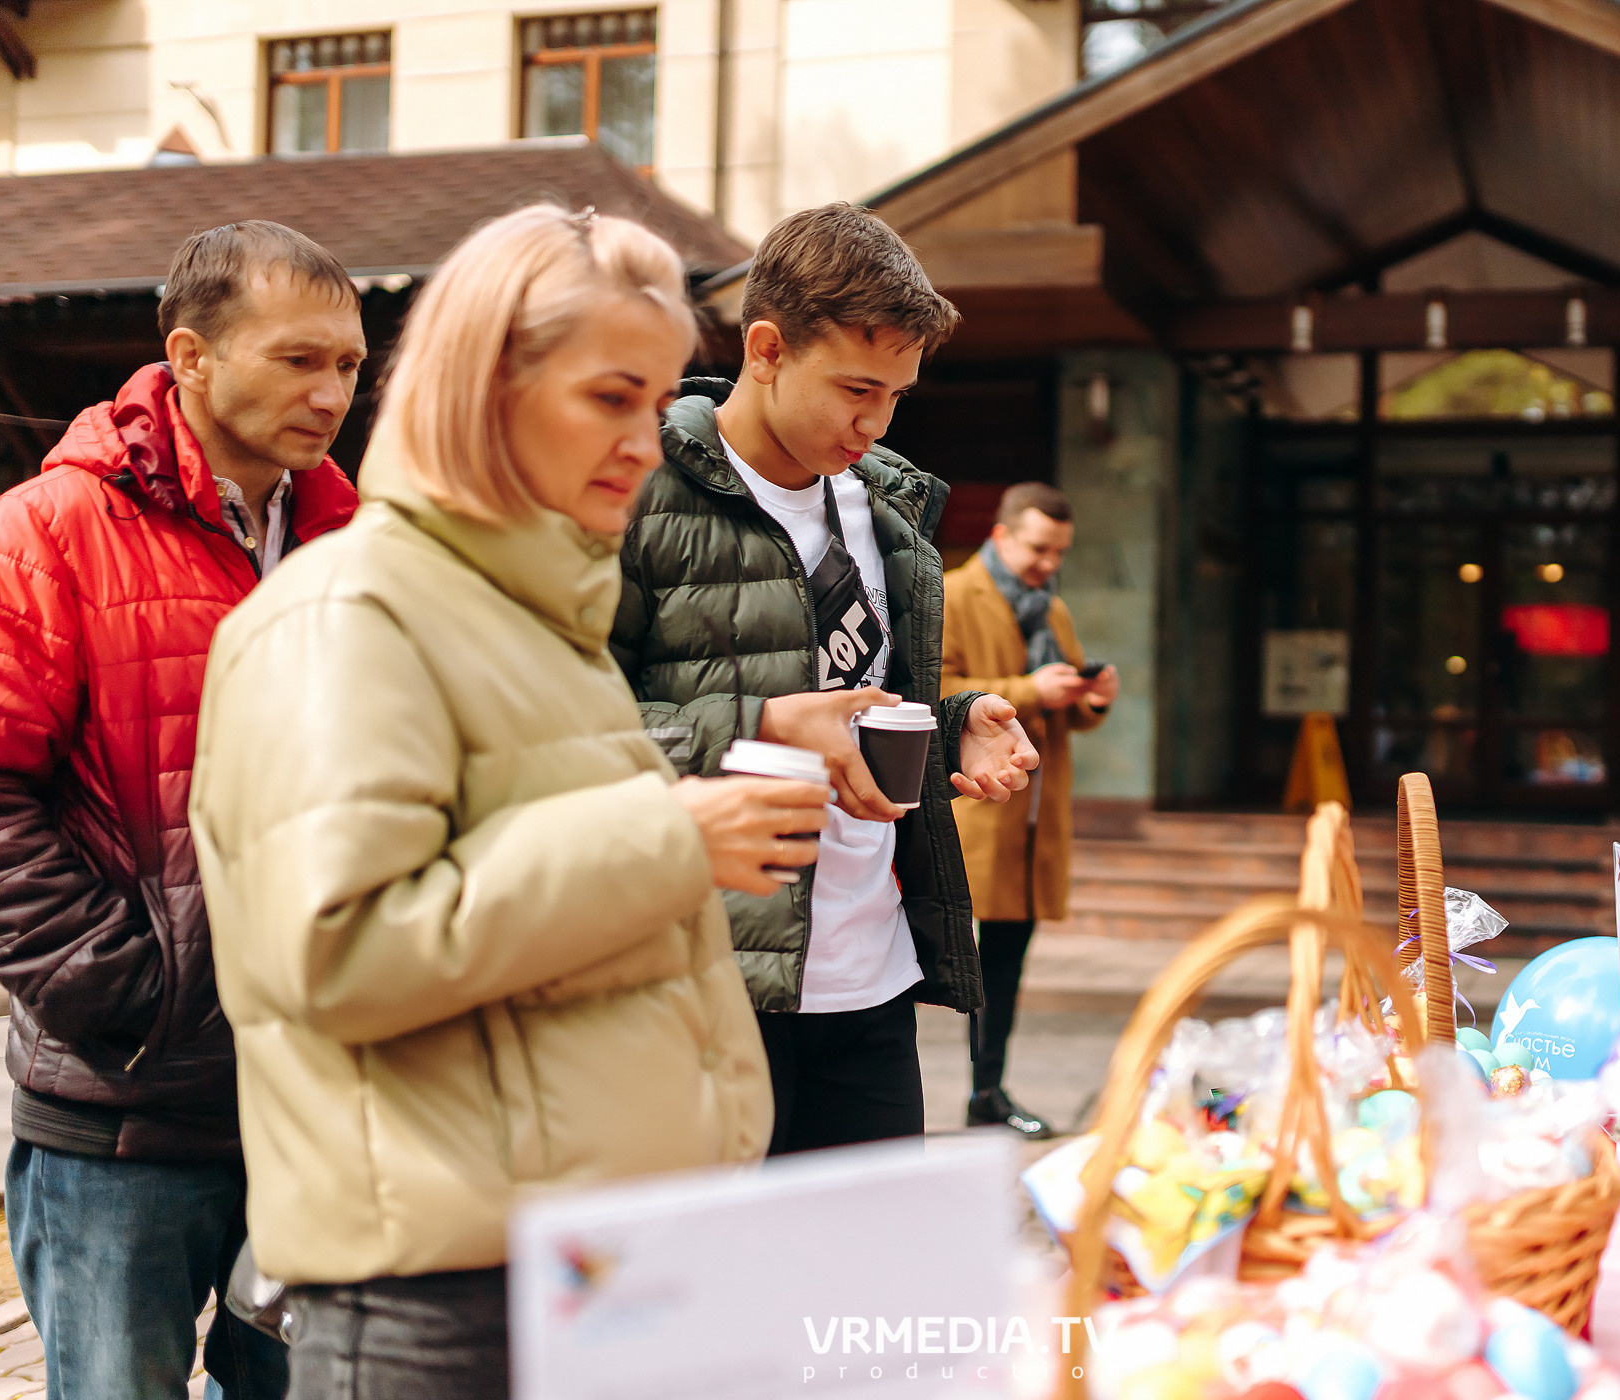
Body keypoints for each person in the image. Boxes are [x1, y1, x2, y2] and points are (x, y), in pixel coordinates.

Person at [189, 205, 801, 1399]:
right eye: (610, 397)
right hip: (449, 1306)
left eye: (659, 402)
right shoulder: (347, 614)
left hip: (588, 1275)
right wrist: (666, 837)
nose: (647, 442)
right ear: (484, 387)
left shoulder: (534, 614)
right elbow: (340, 946)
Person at [0, 221, 364, 1400]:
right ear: (192, 355)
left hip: (321, 1103)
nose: (331, 393)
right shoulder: (46, 529)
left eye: (348, 365)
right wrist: (128, 992)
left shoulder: (359, 546)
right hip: (117, 1118)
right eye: (298, 359)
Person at [611, 202, 1038, 1156]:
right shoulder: (636, 490)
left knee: (871, 1256)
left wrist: (952, 722)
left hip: (871, 978)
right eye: (855, 388)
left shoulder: (889, 506)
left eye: (896, 396)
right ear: (766, 349)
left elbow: (858, 707)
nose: (874, 421)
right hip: (701, 984)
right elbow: (566, 736)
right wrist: (759, 726)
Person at [942, 482, 1118, 1138]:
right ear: (1001, 535)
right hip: (974, 813)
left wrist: (1091, 698)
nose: (1050, 563)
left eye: (1060, 552)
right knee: (941, 968)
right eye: (1040, 549)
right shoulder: (952, 596)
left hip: (1033, 820)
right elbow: (934, 691)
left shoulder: (1053, 609)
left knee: (1005, 968)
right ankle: (954, 1095)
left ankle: (987, 1093)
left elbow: (1064, 713)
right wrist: (1031, 690)